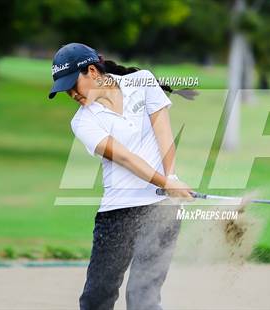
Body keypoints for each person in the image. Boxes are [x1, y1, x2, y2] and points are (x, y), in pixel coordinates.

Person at [48, 43, 194, 310]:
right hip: (117, 214)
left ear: (92, 71)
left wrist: (171, 177)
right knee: (96, 298)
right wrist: (166, 183)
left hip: (162, 211)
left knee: (143, 297)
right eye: (64, 90)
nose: (70, 94)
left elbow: (164, 132)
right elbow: (125, 157)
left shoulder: (143, 81)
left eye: (72, 84)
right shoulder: (82, 122)